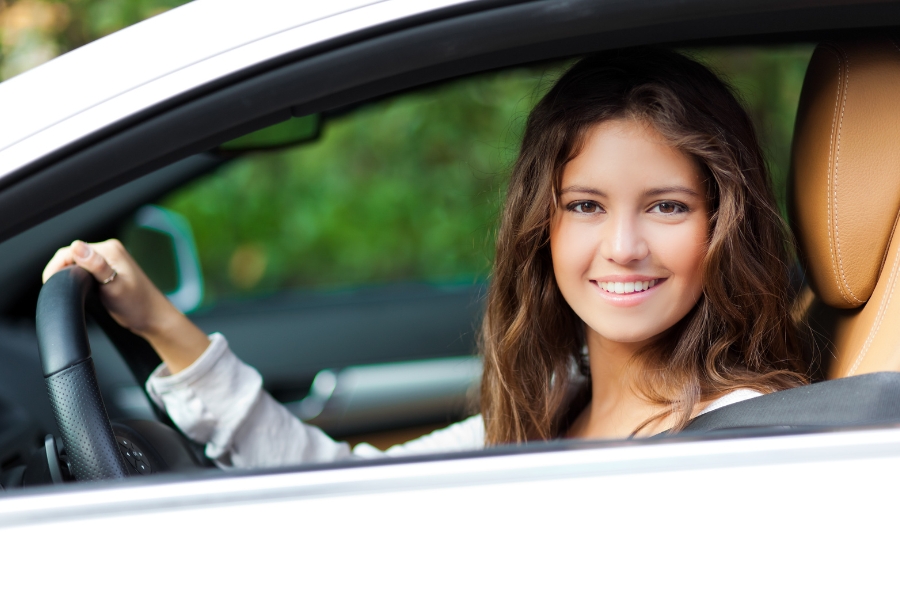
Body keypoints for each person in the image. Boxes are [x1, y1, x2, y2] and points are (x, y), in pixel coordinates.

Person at [42, 48, 808, 467]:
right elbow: (341, 491)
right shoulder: (554, 402)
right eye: (585, 206)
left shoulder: (734, 440)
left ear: (724, 225)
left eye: (668, 206)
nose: (623, 247)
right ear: (540, 228)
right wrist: (159, 324)